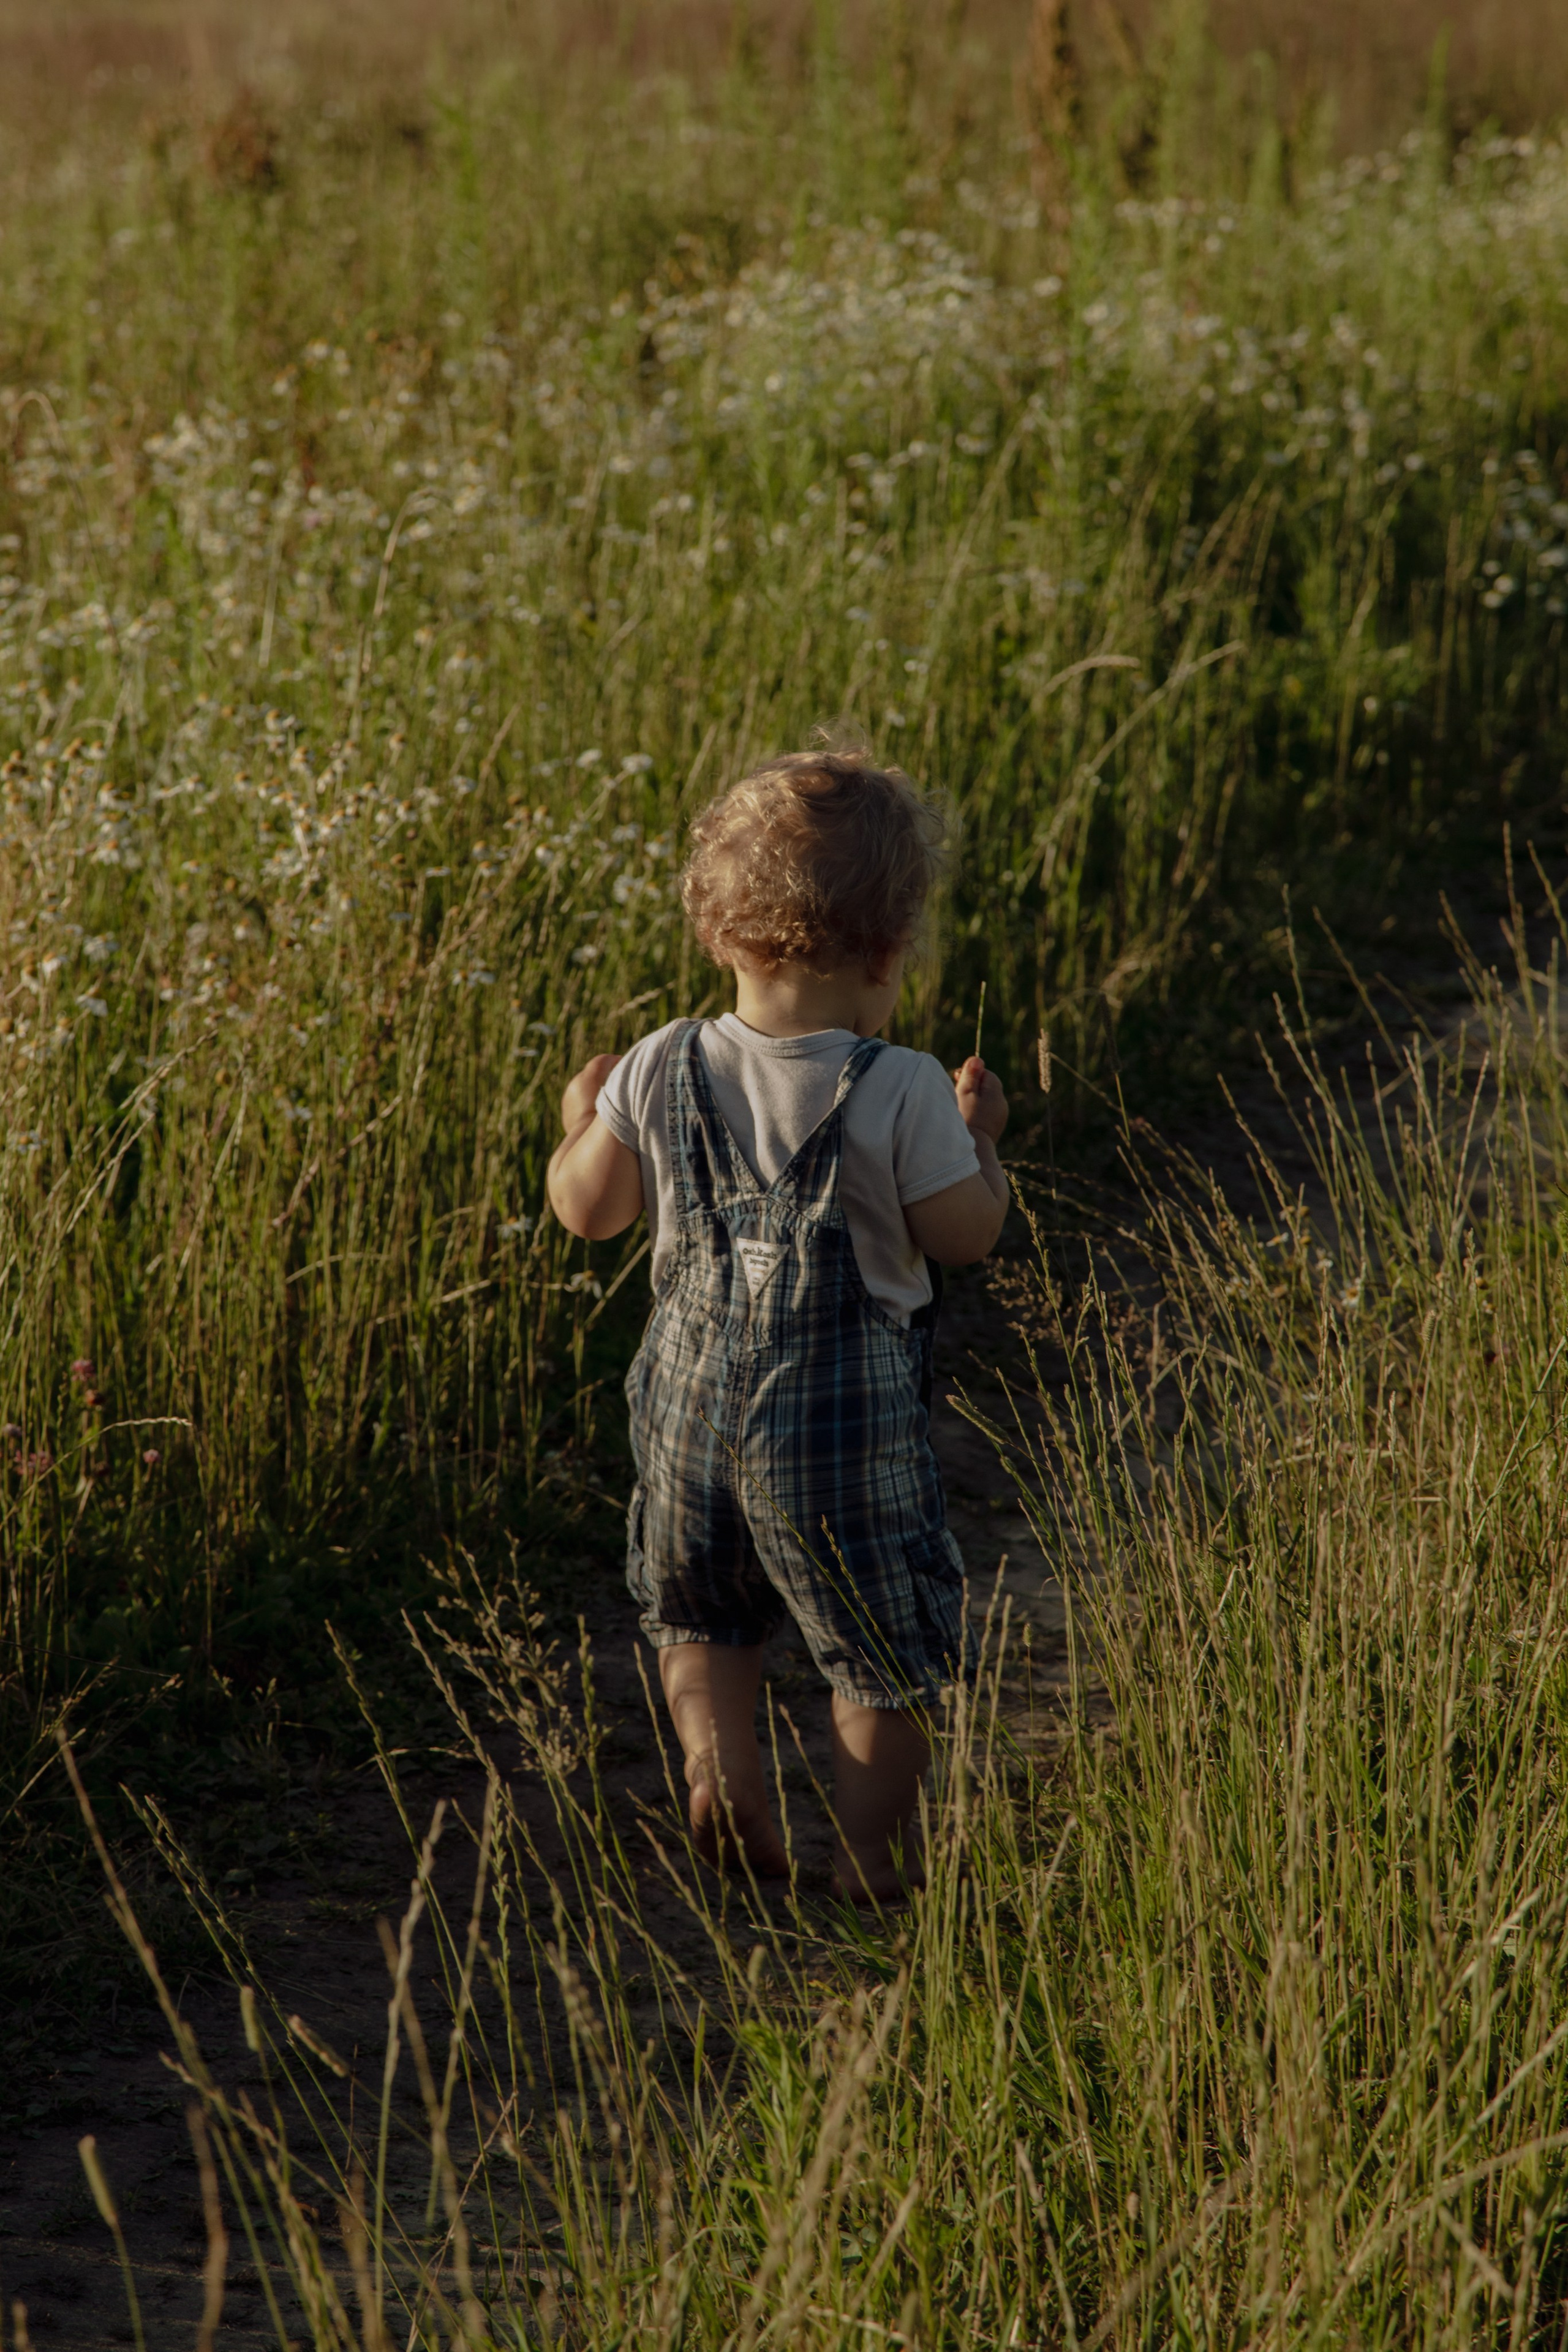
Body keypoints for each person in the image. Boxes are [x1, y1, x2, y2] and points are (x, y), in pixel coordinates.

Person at [546, 750, 1009, 1902]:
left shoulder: (657, 1062)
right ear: (892, 951)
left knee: (700, 1620)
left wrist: (576, 1120)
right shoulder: (900, 1087)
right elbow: (965, 1237)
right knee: (881, 1655)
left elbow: (588, 1212)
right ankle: (871, 1861)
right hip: (843, 1441)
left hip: (688, 1422)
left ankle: (723, 1785)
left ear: (716, 936)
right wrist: (984, 1140)